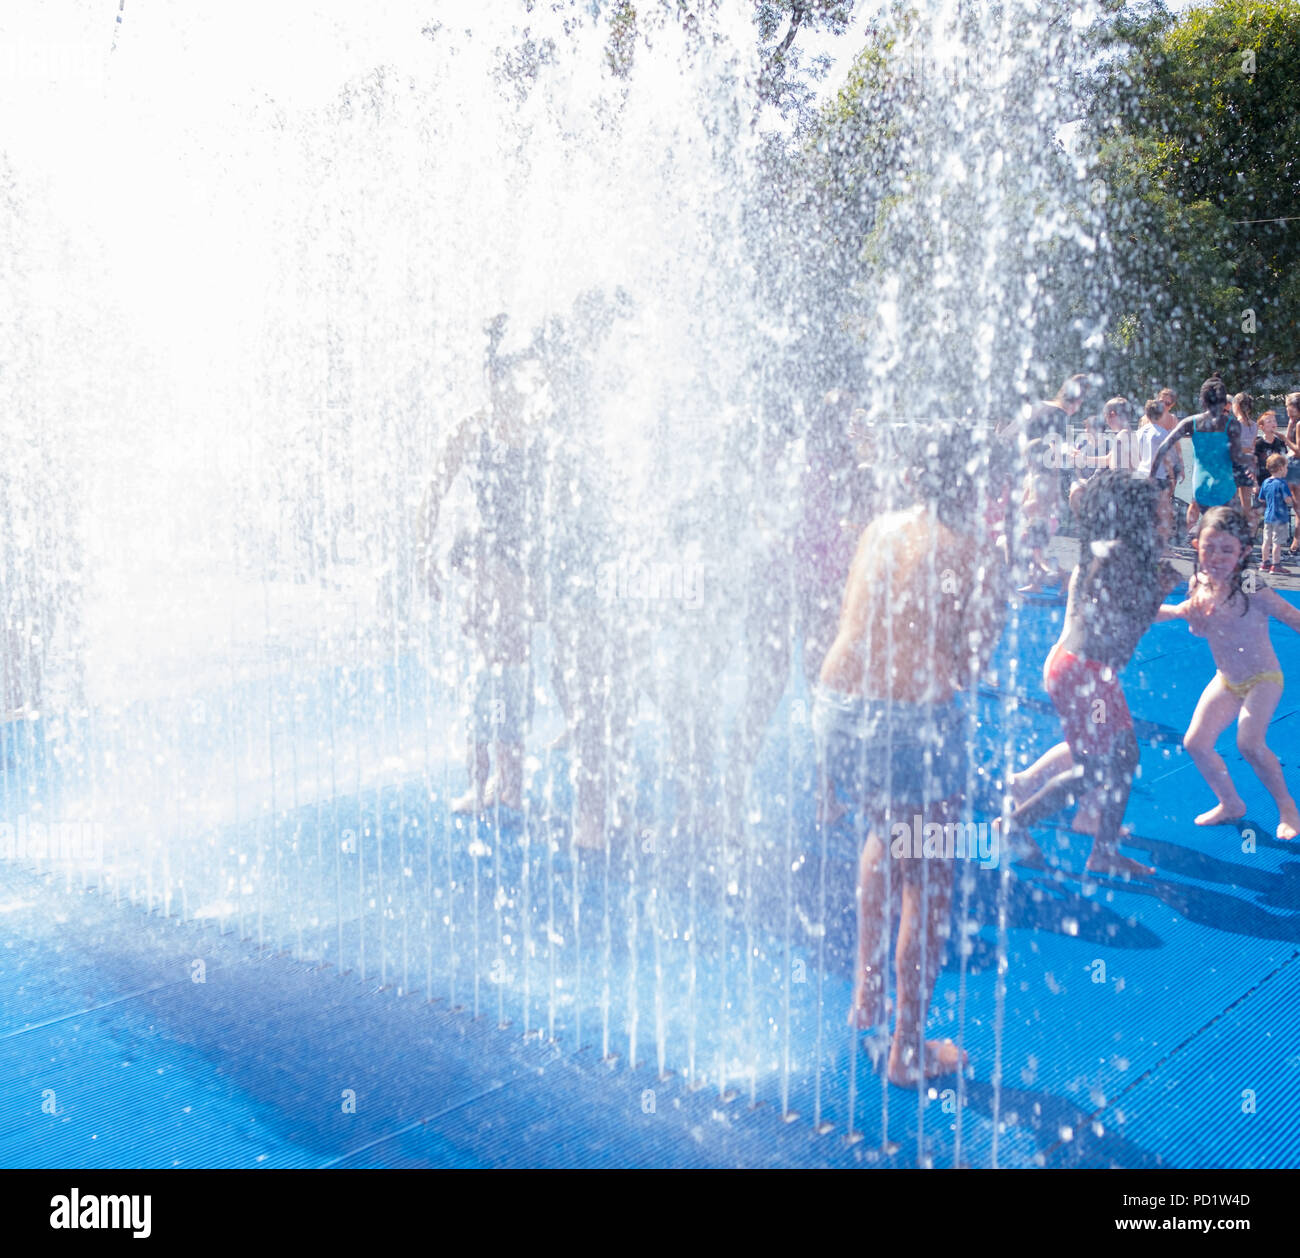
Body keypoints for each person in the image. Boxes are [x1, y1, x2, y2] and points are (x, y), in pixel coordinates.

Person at [816, 425, 1008, 1087]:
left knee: (884, 833)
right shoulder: (977, 554)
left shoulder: (878, 528)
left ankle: (865, 996)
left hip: (837, 707)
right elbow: (973, 662)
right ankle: (906, 1050)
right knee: (927, 873)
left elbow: (854, 616)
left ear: (910, 479)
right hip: (909, 723)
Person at [1002, 472, 1181, 878]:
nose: (1169, 511)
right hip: (1086, 673)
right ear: (1140, 514)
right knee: (1097, 767)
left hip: (1087, 670)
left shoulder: (1118, 551)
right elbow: (1124, 635)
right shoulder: (1119, 556)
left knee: (1123, 757)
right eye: (1162, 506)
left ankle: (1104, 851)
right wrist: (1162, 589)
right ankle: (1013, 825)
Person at [418, 315, 541, 814]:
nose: (510, 390)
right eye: (501, 379)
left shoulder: (536, 428)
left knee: (511, 672)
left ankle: (507, 783)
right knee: (492, 671)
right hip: (491, 565)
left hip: (522, 565)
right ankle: (484, 782)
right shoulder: (473, 429)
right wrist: (423, 553)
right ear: (491, 378)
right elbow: (432, 490)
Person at [1155, 507, 1300, 840]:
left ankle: (1288, 807)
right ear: (1196, 546)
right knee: (1196, 743)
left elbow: (1291, 617)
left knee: (1248, 742)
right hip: (1226, 678)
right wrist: (1188, 616)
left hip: (1263, 677)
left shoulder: (1251, 586)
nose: (1216, 558)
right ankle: (1231, 803)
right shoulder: (1198, 582)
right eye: (1209, 548)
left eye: (1227, 550)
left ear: (1244, 552)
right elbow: (1195, 627)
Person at [1150, 373, 1253, 536]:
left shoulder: (1191, 422)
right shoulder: (1231, 424)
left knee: (1208, 527)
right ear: (1223, 400)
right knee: (1228, 532)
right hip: (1224, 487)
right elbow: (1237, 457)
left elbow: (1162, 448)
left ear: (1202, 399)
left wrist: (1151, 477)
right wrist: (1252, 460)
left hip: (1201, 487)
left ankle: (1204, 550)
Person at [1258, 453, 1297, 574]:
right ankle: (1276, 565)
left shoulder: (1265, 482)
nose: (1286, 470)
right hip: (1280, 518)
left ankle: (1264, 563)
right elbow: (1287, 500)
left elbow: (1261, 499)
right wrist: (1291, 501)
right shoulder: (1282, 483)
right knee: (1277, 543)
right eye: (1286, 467)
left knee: (1266, 541)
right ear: (1280, 468)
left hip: (1268, 517)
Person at [1231, 393, 1259, 523]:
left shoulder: (1235, 424)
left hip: (1235, 463)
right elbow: (1252, 446)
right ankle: (1245, 531)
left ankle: (1233, 529)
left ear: (1236, 405)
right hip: (1247, 463)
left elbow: (1233, 447)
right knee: (1246, 501)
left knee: (1232, 500)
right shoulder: (1254, 425)